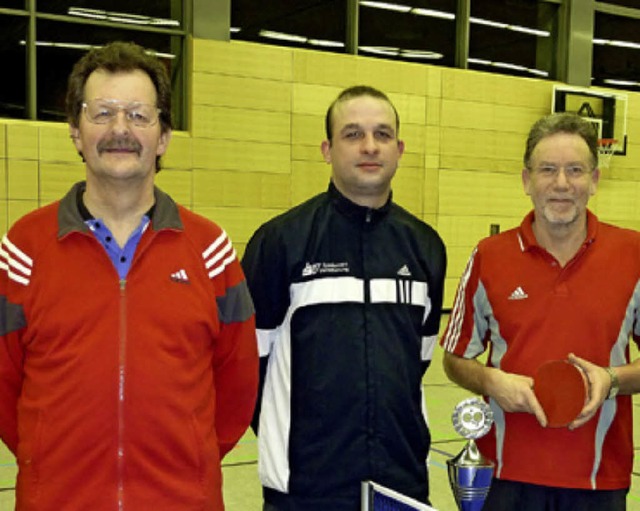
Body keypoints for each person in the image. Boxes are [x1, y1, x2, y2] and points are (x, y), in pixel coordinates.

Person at [0, 41, 258, 511]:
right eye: (102, 113)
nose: (120, 129)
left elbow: (237, 387)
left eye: (139, 115)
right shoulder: (25, 247)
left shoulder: (210, 249)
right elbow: (4, 383)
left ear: (162, 137)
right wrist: (50, 463)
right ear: (76, 132)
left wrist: (187, 463)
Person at [241, 85, 447, 511]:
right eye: (352, 134)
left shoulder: (425, 247)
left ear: (399, 148)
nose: (369, 146)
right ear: (327, 148)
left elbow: (417, 361)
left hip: (401, 484)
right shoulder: (280, 242)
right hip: (306, 490)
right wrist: (304, 443)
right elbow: (248, 367)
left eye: (382, 134)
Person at [441, 112, 640, 511]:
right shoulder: (488, 255)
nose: (561, 183)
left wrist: (612, 380)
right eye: (547, 169)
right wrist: (491, 381)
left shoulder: (634, 255)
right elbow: (454, 358)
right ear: (526, 181)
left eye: (575, 170)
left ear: (595, 181)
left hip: (599, 480)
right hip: (503, 477)